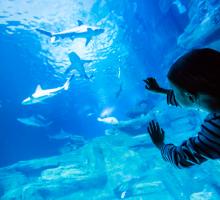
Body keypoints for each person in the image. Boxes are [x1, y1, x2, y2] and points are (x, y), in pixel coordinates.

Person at [144, 48, 220, 168]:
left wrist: (160, 144)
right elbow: (190, 99)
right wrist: (161, 91)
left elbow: (182, 158)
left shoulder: (216, 128)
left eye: (174, 90)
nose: (173, 93)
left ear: (190, 96)